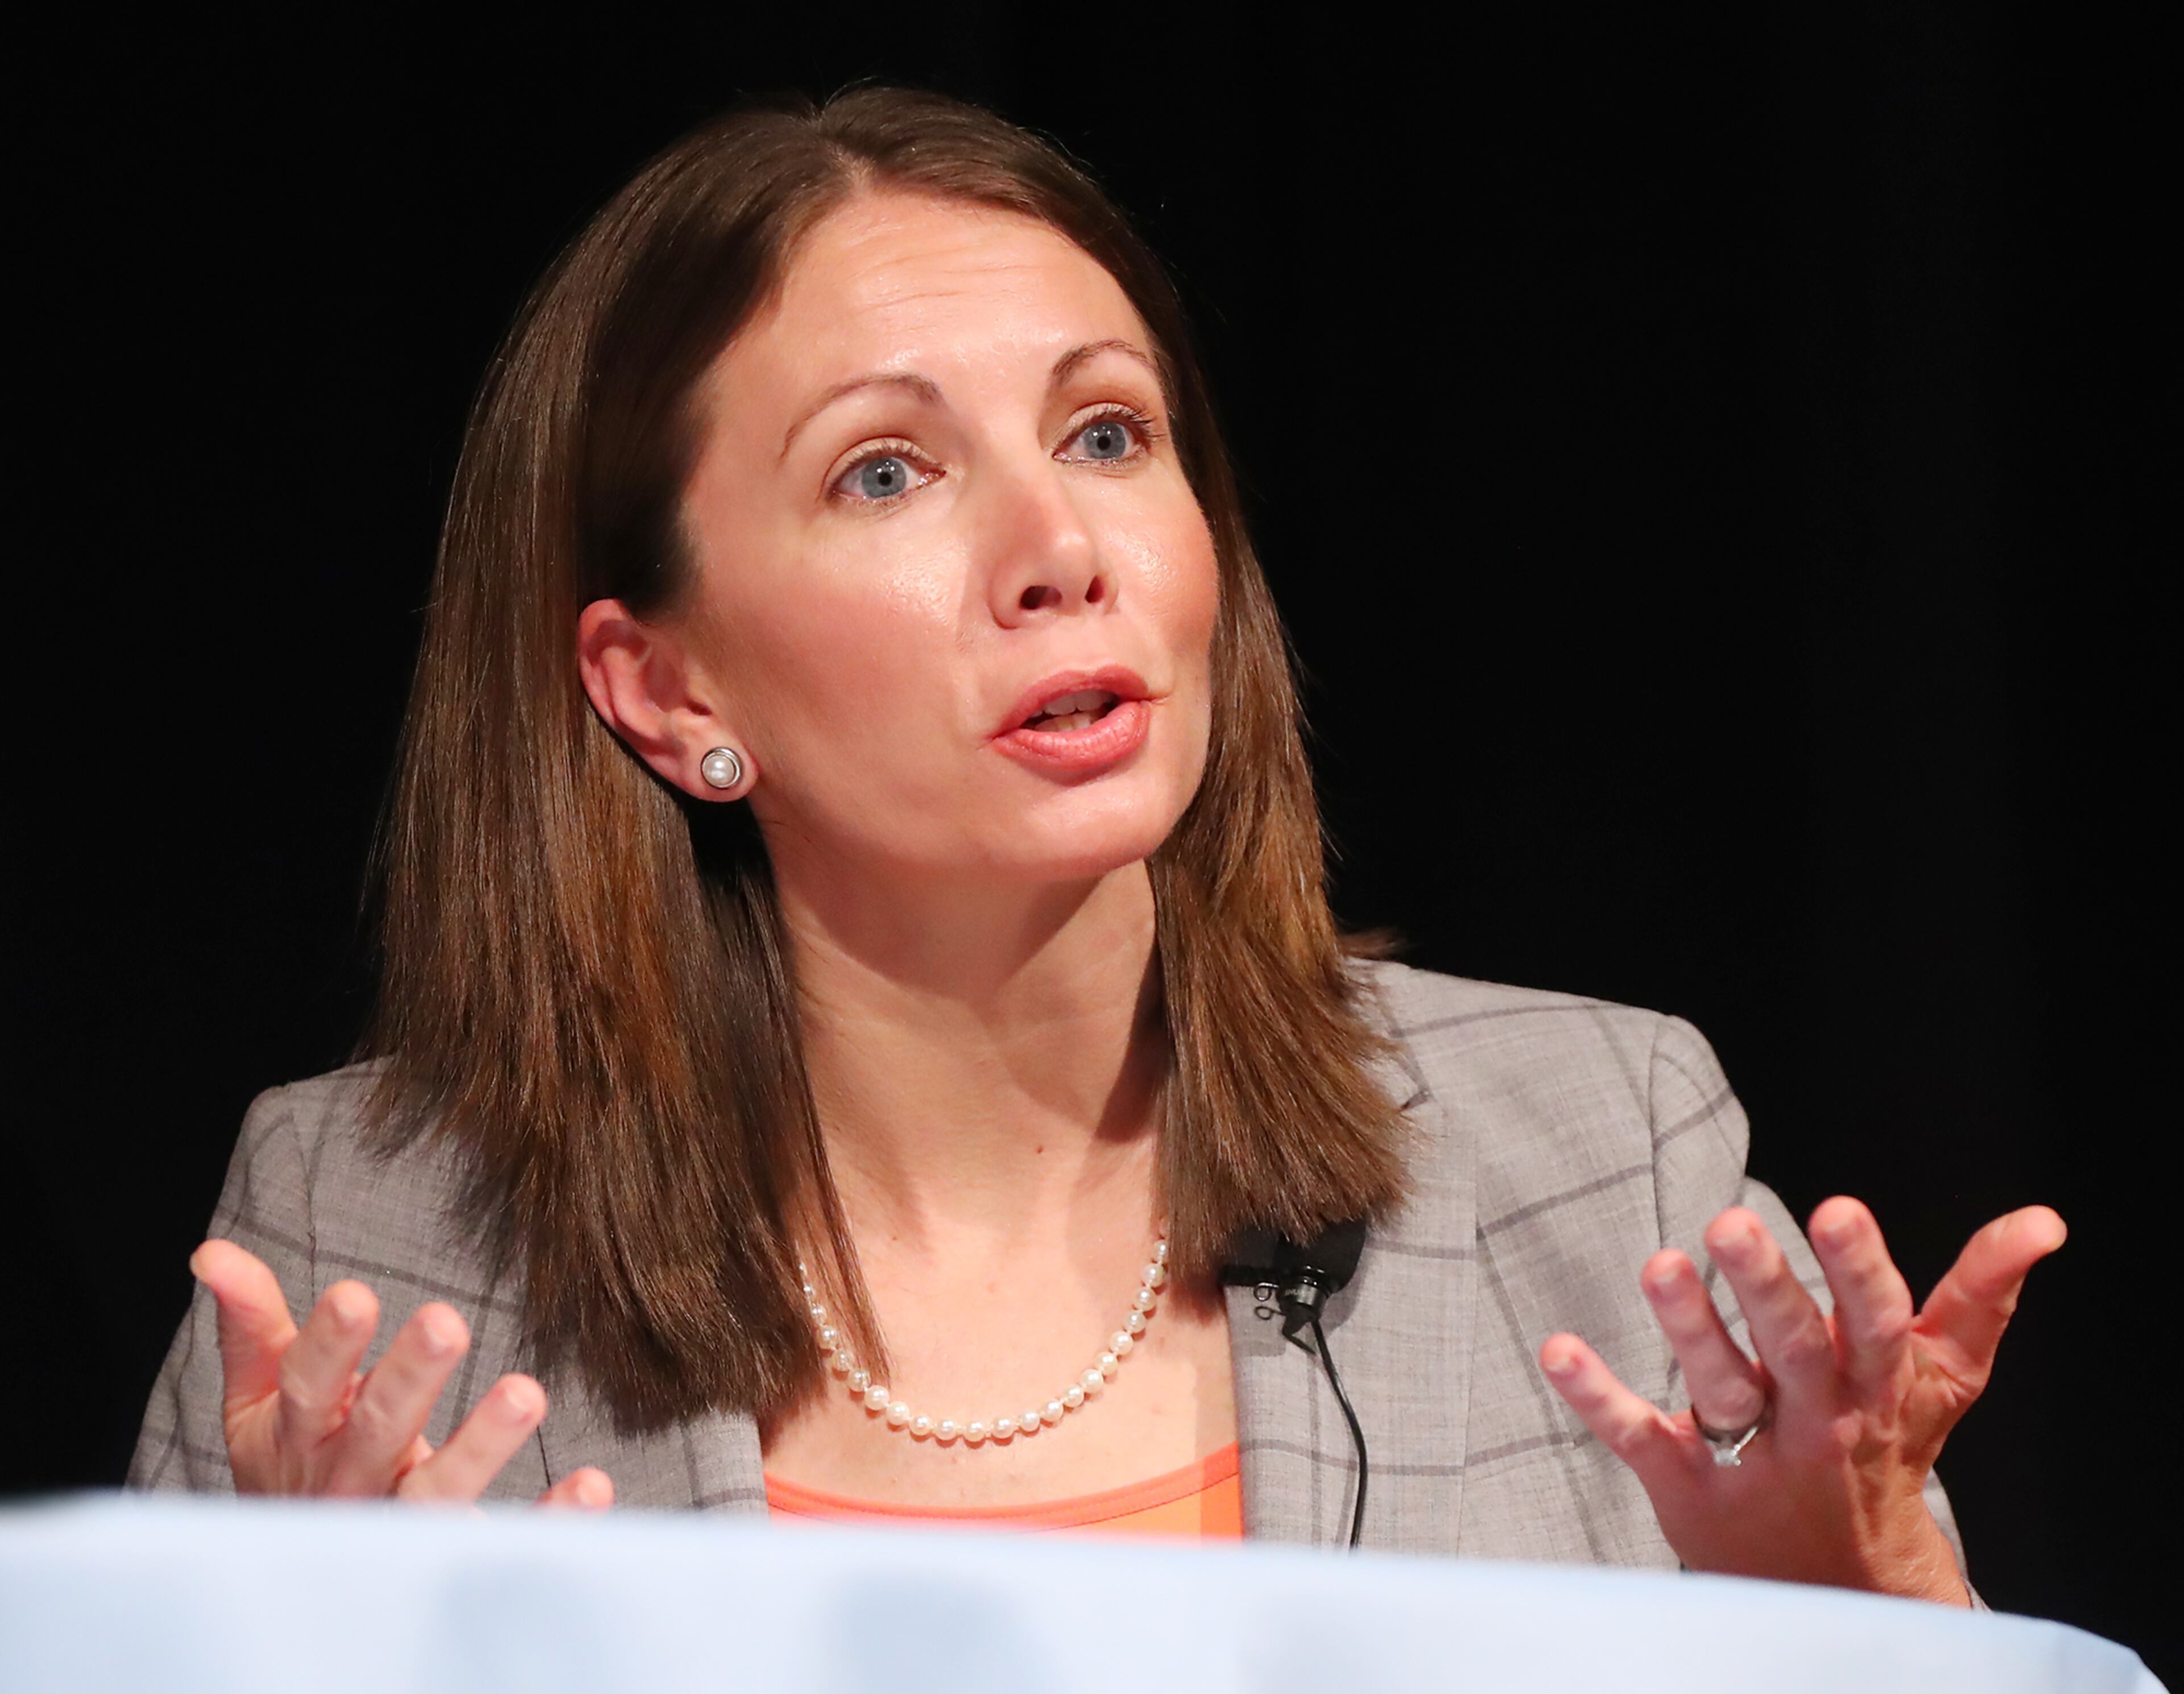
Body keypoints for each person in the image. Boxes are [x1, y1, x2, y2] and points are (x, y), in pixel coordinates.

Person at [131, 86, 2062, 1597]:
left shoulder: (1588, 1140)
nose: (1060, 547)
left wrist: (1875, 1618)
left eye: (1111, 433)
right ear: (663, 692)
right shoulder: (366, 1247)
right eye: (887, 471)